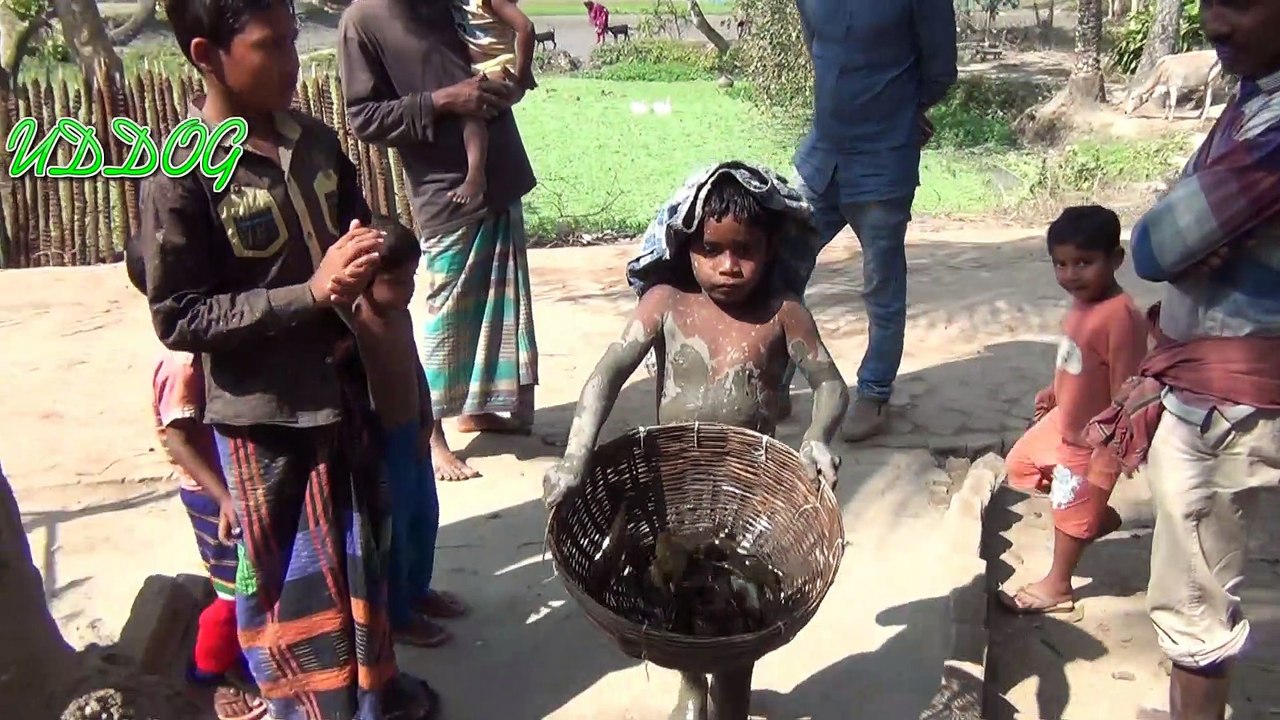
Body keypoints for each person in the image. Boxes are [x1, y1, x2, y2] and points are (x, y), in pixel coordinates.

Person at [135, 0, 435, 715]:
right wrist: (308, 292)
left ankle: (370, 699)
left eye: (294, 42)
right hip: (267, 418)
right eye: (269, 47)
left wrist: (370, 275)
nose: (292, 62)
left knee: (361, 563)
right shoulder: (180, 174)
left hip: (345, 394)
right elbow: (179, 315)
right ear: (207, 55)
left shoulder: (319, 145)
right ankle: (307, 709)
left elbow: (361, 239)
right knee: (288, 589)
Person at [543, 162, 849, 720]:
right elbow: (606, 375)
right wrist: (573, 456)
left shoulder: (784, 314)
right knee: (674, 592)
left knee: (738, 606)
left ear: (772, 245)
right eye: (711, 249)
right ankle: (690, 693)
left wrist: (818, 437)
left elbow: (829, 383)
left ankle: (730, 701)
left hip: (749, 501)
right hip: (674, 488)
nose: (728, 266)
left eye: (745, 250)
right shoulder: (665, 304)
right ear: (685, 244)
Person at [1083, 2, 1280, 716]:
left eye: (1241, 1)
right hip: (1222, 380)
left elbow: (1161, 246)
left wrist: (1185, 227)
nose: (1214, 23)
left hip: (1231, 399)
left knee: (1194, 605)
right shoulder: (1256, 97)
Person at [339, 0, 539, 483]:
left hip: (499, 172)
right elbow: (363, 118)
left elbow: (493, 47)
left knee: (500, 307)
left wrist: (509, 83)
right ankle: (432, 438)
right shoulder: (361, 21)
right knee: (446, 314)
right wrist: (446, 101)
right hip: (444, 189)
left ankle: (480, 408)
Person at [789, 0, 958, 441]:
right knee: (780, 267)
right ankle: (783, 374)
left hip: (883, 160)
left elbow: (940, 70)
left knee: (881, 285)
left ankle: (874, 393)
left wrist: (898, 109)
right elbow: (817, 49)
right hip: (821, 157)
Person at [996, 206, 1149, 615]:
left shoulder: (1122, 317)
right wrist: (1055, 389)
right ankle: (1091, 516)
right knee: (1020, 467)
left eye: (1084, 262)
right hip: (1065, 418)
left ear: (1115, 259)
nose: (1071, 274)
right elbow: (1074, 356)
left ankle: (1059, 585)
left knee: (1068, 508)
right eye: (1061, 264)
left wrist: (1117, 443)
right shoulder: (1081, 303)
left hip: (1094, 438)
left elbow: (1127, 387)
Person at [348, 216, 468, 648]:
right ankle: (397, 614)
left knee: (424, 519)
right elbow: (358, 396)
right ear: (364, 281)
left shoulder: (400, 317)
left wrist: (426, 422)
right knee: (392, 535)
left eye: (412, 278)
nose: (409, 290)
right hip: (382, 448)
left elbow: (416, 371)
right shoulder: (357, 328)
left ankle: (419, 592)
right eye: (396, 282)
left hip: (412, 437)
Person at [152, 349, 267, 720]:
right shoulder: (183, 366)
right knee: (231, 592)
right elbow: (177, 439)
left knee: (252, 579)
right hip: (212, 496)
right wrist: (223, 498)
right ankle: (208, 671)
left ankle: (243, 653)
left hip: (234, 488)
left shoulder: (210, 351)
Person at [449, 0, 537, 205]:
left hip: (498, 65)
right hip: (477, 67)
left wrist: (522, 77)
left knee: (472, 108)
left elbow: (526, 28)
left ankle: (475, 175)